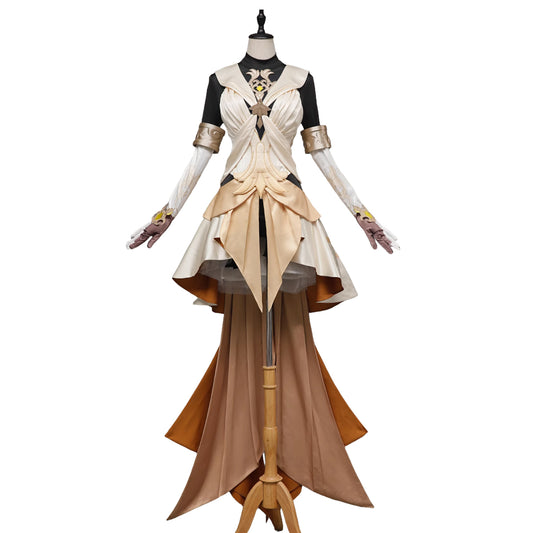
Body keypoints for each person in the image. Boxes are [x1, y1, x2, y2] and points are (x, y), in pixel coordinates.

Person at [127, 22, 398, 524]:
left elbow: (322, 156)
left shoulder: (301, 79)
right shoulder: (220, 79)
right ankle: (244, 457)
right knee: (242, 335)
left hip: (288, 212)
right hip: (233, 213)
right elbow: (200, 156)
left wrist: (363, 214)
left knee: (289, 333)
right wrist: (165, 215)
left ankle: (287, 459)